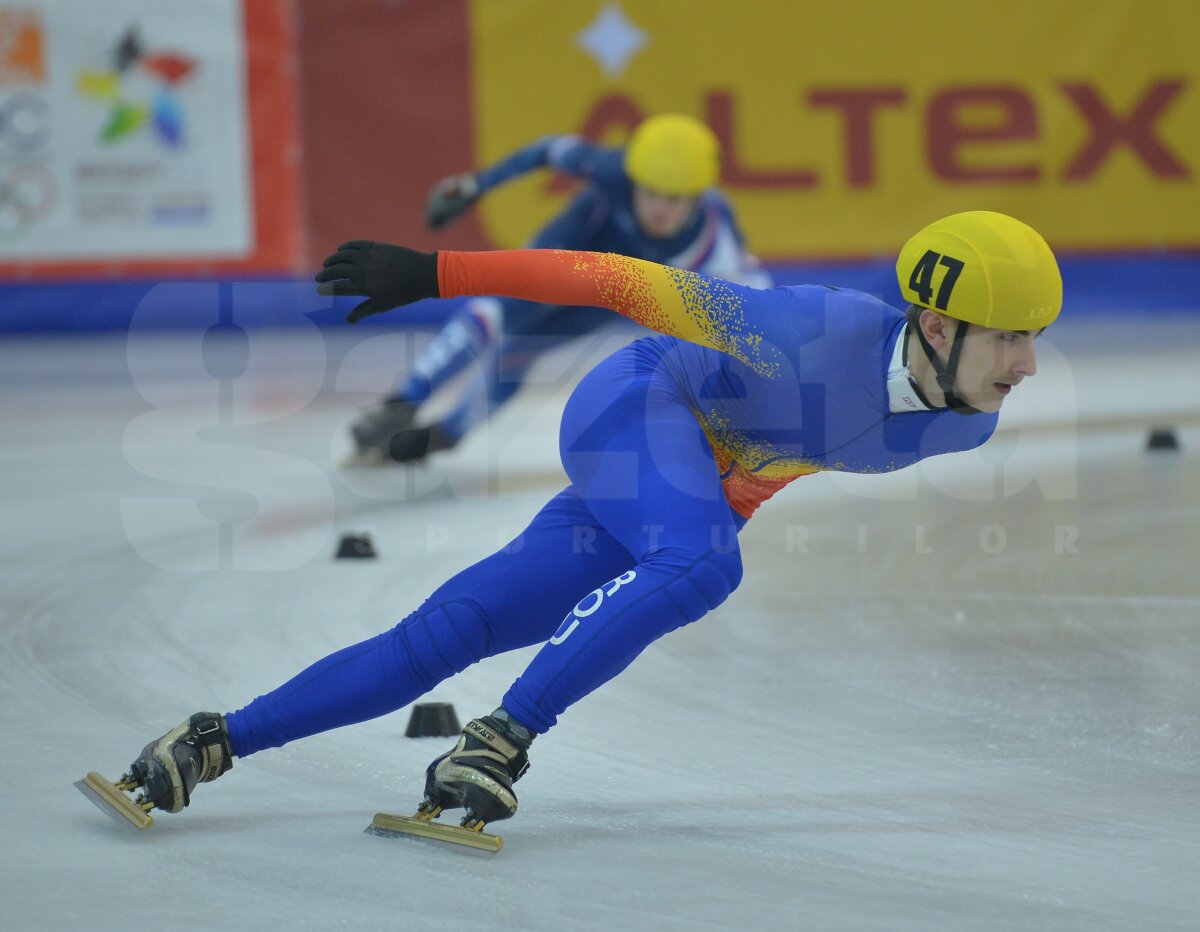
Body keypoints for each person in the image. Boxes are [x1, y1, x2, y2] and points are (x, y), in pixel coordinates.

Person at [108, 210, 1061, 833]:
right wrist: (436, 271)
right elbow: (610, 278)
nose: (1026, 367)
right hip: (636, 406)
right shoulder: (806, 327)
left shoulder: (964, 429)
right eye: (1010, 337)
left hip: (674, 484)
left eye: (1033, 339)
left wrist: (708, 505)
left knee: (453, 630)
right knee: (705, 563)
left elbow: (780, 459)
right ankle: (498, 741)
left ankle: (209, 742)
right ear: (937, 327)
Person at [346, 113, 770, 465]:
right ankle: (404, 402)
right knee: (496, 308)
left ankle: (443, 435)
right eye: (649, 192)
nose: (659, 209)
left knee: (518, 352)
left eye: (674, 198)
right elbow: (546, 150)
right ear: (633, 179)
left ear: (699, 197)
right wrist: (476, 186)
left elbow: (759, 311)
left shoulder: (718, 245)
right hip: (573, 240)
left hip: (613, 287)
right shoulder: (612, 169)